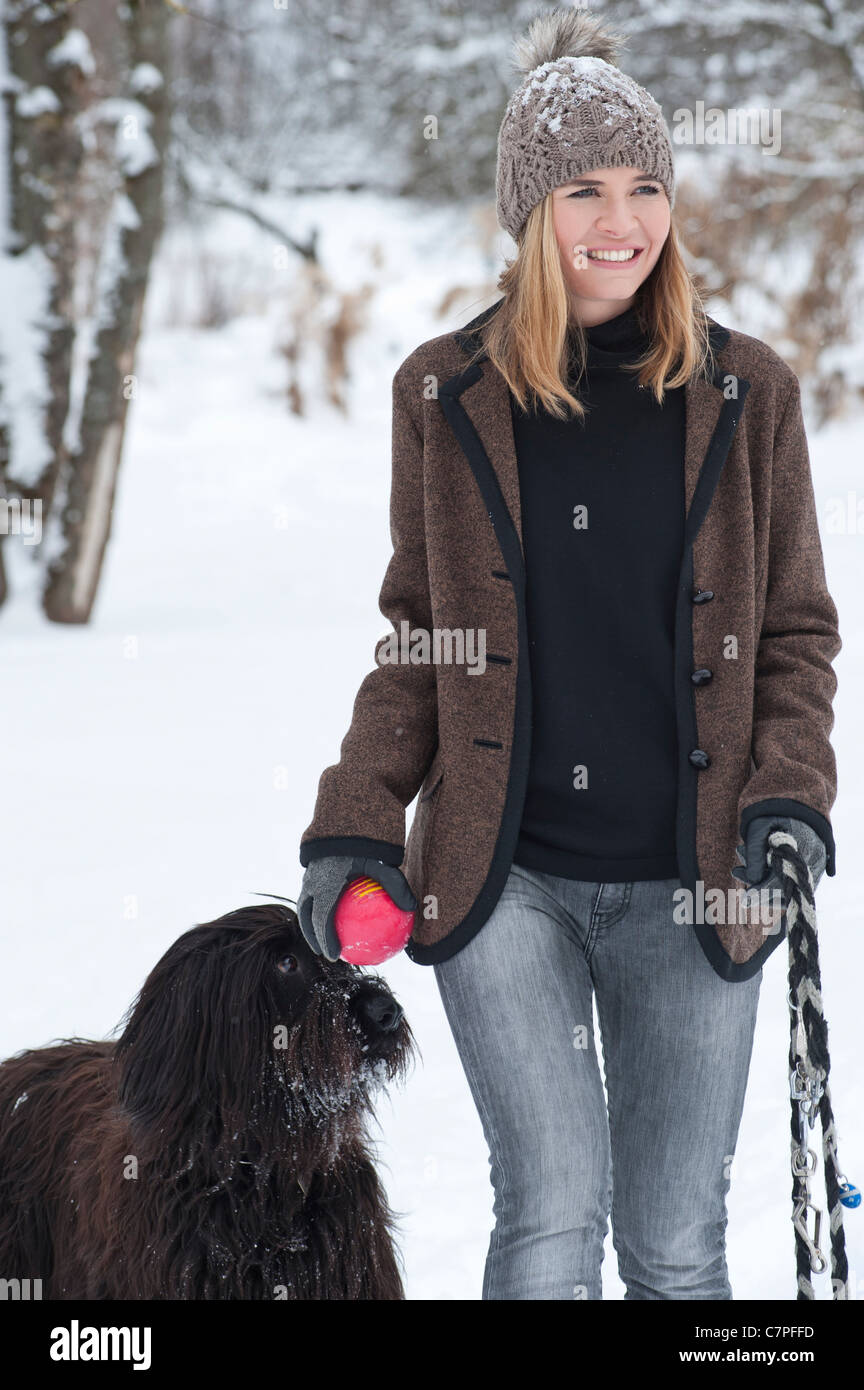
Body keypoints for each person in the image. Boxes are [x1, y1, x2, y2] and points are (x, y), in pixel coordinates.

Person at [296, 7, 841, 1299]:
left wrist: (786, 790)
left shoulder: (747, 394)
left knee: (674, 1244)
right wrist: (359, 818)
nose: (622, 219)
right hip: (508, 885)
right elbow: (421, 634)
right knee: (547, 1220)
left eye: (646, 184)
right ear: (529, 212)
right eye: (584, 188)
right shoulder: (446, 393)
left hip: (695, 881)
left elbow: (798, 636)